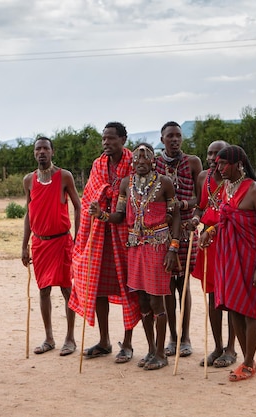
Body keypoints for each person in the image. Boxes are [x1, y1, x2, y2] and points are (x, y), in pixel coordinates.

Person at [89, 143, 181, 370]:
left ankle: (161, 353)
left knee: (156, 299)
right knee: (142, 301)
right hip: (135, 247)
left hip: (158, 247)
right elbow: (120, 216)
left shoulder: (165, 183)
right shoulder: (125, 185)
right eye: (137, 160)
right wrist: (101, 215)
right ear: (132, 163)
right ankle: (151, 349)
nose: (140, 162)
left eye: (145, 158)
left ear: (152, 161)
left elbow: (176, 215)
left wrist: (173, 248)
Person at [198, 145, 256, 381]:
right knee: (235, 309)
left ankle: (249, 362)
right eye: (217, 164)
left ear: (237, 164)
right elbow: (224, 220)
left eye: (222, 164)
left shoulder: (254, 190)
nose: (218, 168)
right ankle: (247, 359)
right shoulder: (226, 189)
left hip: (251, 258)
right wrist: (210, 231)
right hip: (229, 257)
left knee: (250, 310)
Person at [68, 122, 141, 363]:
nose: (106, 143)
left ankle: (128, 343)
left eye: (111, 139)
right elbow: (90, 196)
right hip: (100, 234)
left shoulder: (135, 164)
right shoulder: (98, 165)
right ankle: (104, 340)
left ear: (123, 139)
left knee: (129, 288)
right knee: (97, 285)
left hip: (128, 235)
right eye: (104, 139)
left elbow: (139, 200)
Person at [21, 136, 80, 356]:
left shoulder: (64, 176)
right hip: (40, 243)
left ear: (52, 152)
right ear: (34, 153)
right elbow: (29, 213)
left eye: (46, 148)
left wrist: (78, 236)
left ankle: (70, 338)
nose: (42, 152)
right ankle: (48, 338)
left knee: (67, 289)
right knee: (43, 290)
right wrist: (24, 245)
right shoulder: (29, 180)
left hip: (62, 241)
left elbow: (78, 206)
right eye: (38, 149)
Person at [154, 121, 203, 358]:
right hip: (161, 232)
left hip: (185, 231)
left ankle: (185, 337)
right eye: (170, 136)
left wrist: (184, 206)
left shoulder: (192, 162)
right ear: (162, 139)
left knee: (183, 285)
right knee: (166, 287)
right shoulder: (154, 163)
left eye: (178, 136)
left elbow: (199, 198)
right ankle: (172, 337)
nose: (175, 140)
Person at [190, 140, 237, 368]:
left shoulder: (235, 181)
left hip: (228, 242)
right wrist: (196, 218)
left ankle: (231, 348)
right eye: (209, 153)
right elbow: (201, 206)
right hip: (207, 243)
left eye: (216, 154)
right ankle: (217, 346)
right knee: (212, 297)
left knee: (229, 298)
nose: (211, 158)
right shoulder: (203, 178)